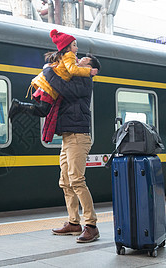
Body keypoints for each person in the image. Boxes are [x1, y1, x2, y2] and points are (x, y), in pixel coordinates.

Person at [42, 57, 101, 243]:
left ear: (91, 69)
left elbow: (63, 89)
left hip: (79, 137)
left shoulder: (85, 80)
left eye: (83, 61)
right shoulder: (75, 77)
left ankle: (91, 225)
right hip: (68, 137)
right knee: (65, 182)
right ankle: (74, 223)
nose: (78, 60)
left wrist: (48, 71)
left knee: (77, 180)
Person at [8, 29, 98, 120]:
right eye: (74, 45)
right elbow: (72, 70)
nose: (77, 48)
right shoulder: (70, 56)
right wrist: (88, 72)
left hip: (47, 86)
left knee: (43, 110)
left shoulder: (67, 57)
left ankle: (19, 106)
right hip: (49, 87)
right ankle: (18, 106)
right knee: (43, 110)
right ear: (67, 48)